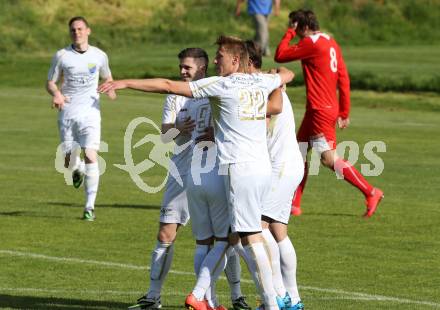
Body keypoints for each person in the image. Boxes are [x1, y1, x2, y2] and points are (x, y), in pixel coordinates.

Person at [99, 35, 294, 310]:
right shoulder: (259, 81)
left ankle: (234, 298)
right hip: (251, 168)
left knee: (242, 238)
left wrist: (126, 82)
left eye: (220, 57)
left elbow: (166, 85)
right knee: (241, 237)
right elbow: (287, 75)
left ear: (234, 60)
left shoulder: (218, 86)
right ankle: (223, 299)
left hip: (231, 170)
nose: (216, 61)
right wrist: (276, 76)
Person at [128, 48, 250, 310]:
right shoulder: (174, 97)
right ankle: (153, 296)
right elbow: (164, 136)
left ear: (202, 69)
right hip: (181, 173)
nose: (182, 71)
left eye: (188, 68)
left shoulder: (214, 92)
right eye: (181, 67)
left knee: (227, 238)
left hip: (213, 172)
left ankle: (236, 296)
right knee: (165, 232)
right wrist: (178, 129)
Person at [274, 9, 384, 217]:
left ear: (303, 26)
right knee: (299, 151)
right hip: (324, 107)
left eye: (296, 27)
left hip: (319, 109)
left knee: (327, 159)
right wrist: (344, 110)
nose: (296, 33)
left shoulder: (310, 43)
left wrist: (288, 32)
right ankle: (294, 204)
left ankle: (370, 191)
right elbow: (343, 78)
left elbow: (280, 55)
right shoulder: (331, 42)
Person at [246, 40, 304, 310]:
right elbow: (285, 71)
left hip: (280, 165)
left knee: (257, 227)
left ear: (244, 61)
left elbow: (267, 119)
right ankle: (293, 299)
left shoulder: (262, 85)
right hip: (287, 164)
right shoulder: (270, 80)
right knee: (279, 231)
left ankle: (278, 296)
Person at [46, 16, 116, 221]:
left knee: (91, 154)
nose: (76, 33)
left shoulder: (100, 55)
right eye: (73, 30)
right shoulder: (62, 56)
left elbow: (107, 77)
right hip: (67, 112)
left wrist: (110, 88)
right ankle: (77, 169)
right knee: (69, 161)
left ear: (88, 31)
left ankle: (89, 207)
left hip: (91, 113)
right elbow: (50, 82)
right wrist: (56, 94)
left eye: (80, 29)